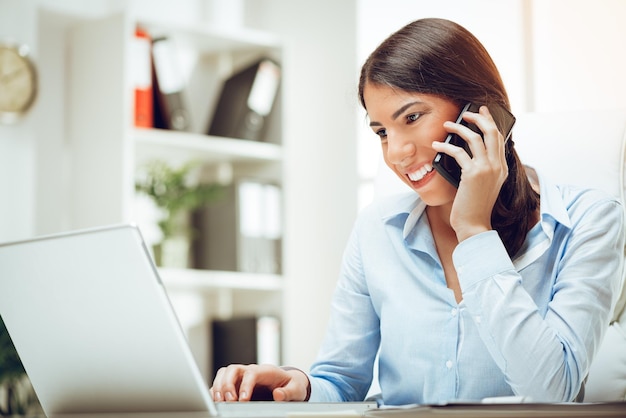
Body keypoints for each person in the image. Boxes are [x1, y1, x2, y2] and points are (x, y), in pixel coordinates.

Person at [210, 17, 625, 405]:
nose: (397, 152)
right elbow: (341, 381)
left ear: (481, 112)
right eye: (382, 132)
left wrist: (474, 231)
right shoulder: (378, 229)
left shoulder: (590, 220)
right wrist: (299, 387)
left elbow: (552, 391)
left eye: (412, 117)